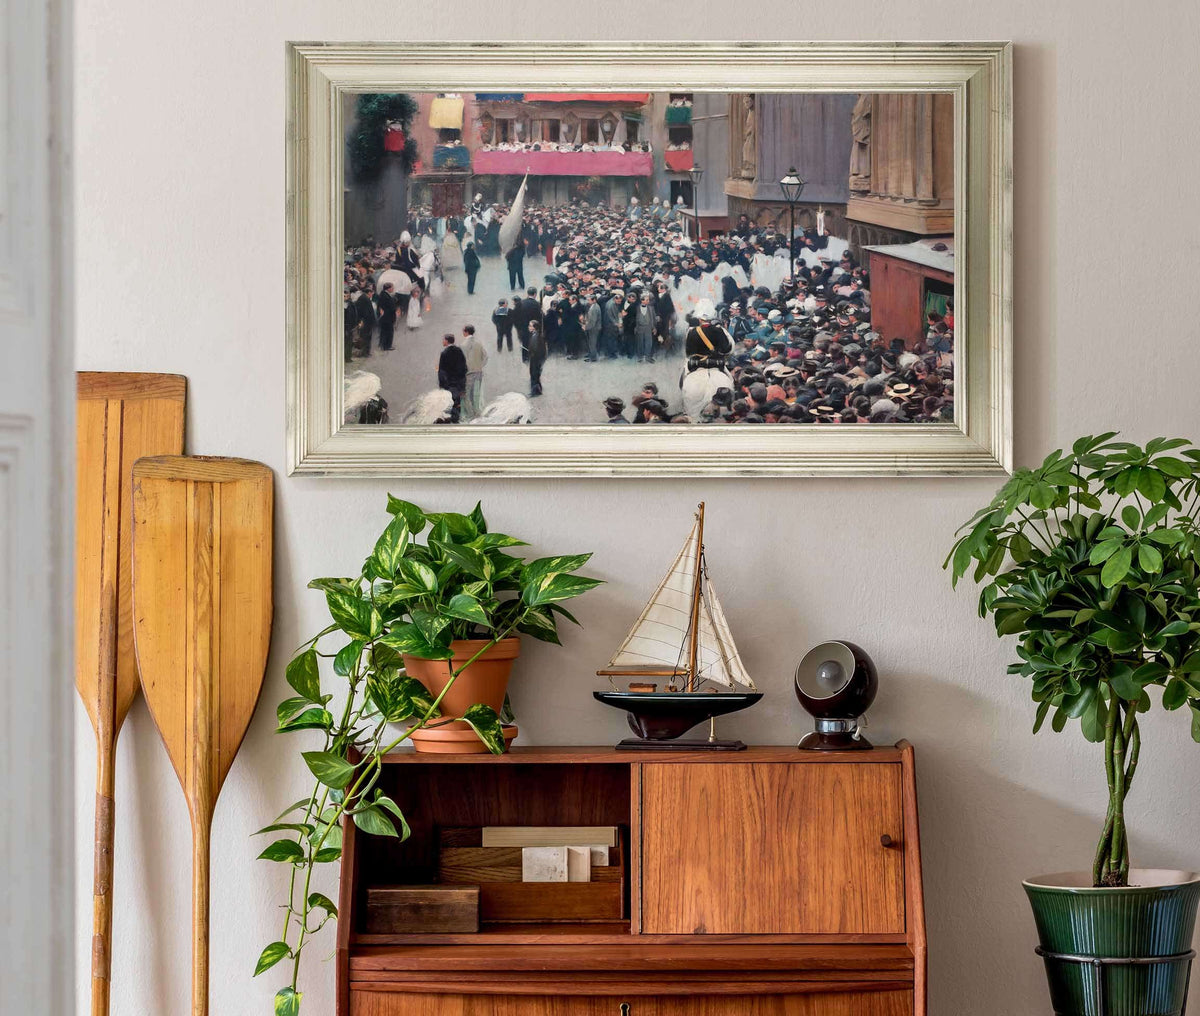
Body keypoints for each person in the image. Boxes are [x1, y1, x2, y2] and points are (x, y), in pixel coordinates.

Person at [437, 332, 468, 422]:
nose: (442, 341)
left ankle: (450, 422)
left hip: (448, 384)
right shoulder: (459, 351)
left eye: (443, 340)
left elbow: (442, 371)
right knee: (457, 403)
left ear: (447, 341)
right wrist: (462, 383)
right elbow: (464, 368)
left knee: (448, 403)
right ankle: (456, 421)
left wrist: (442, 385)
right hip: (459, 383)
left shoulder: (444, 353)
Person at [460, 324, 487, 420]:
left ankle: (471, 414)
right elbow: (485, 357)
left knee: (466, 394)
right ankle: (476, 412)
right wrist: (479, 366)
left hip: (469, 373)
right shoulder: (478, 343)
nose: (462, 332)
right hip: (479, 372)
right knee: (475, 394)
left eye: (463, 331)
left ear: (466, 332)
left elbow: (461, 361)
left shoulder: (463, 345)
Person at [633, 290, 657, 363]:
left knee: (649, 342)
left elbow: (653, 318)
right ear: (642, 301)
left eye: (648, 300)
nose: (648, 301)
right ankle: (640, 357)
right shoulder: (636, 308)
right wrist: (635, 327)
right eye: (647, 300)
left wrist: (654, 328)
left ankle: (648, 357)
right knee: (640, 342)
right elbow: (634, 319)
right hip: (640, 327)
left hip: (648, 327)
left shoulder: (651, 308)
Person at [527, 320, 547, 398]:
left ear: (534, 328)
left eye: (530, 326)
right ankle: (537, 390)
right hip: (536, 359)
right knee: (536, 375)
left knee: (534, 374)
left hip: (535, 359)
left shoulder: (536, 337)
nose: (529, 327)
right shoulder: (536, 335)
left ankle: (535, 391)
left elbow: (536, 349)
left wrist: (531, 353)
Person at [376, 282, 397, 352]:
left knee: (386, 331)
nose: (393, 289)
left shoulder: (385, 294)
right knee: (388, 331)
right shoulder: (384, 296)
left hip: (387, 317)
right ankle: (387, 346)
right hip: (387, 317)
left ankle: (385, 345)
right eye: (392, 287)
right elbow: (390, 306)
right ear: (388, 288)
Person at [584, 291, 603, 362]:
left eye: (589, 300)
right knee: (592, 343)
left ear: (594, 300)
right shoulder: (594, 306)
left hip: (594, 328)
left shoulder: (594, 308)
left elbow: (593, 321)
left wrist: (586, 327)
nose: (588, 301)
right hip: (594, 327)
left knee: (592, 343)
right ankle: (591, 355)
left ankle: (593, 358)